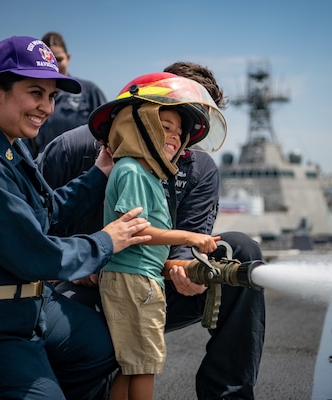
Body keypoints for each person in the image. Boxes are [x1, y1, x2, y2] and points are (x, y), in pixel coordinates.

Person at [0, 35, 153, 399]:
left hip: (21, 308)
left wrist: (98, 175)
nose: (46, 107)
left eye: (51, 96)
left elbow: (42, 213)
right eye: (35, 93)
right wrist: (109, 240)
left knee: (104, 349)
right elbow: (37, 255)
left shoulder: (3, 141)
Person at [40, 62, 266, 400]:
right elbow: (32, 226)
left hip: (148, 285)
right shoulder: (73, 148)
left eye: (190, 126)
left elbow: (181, 252)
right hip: (76, 288)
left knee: (241, 253)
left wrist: (184, 269)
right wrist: (79, 263)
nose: (179, 138)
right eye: (171, 120)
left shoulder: (201, 169)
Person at [94, 72, 223, 399]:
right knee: (145, 364)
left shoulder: (147, 174)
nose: (175, 137)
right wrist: (190, 239)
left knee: (132, 364)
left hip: (138, 278)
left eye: (180, 132)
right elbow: (135, 231)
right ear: (139, 126)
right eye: (165, 126)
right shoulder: (134, 171)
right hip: (133, 279)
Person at [21, 31, 106, 158]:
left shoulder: (89, 91)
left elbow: (108, 129)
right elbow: (27, 144)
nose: (55, 65)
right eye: (38, 93)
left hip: (88, 170)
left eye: (59, 59)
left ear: (68, 58)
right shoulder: (28, 98)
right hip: (46, 173)